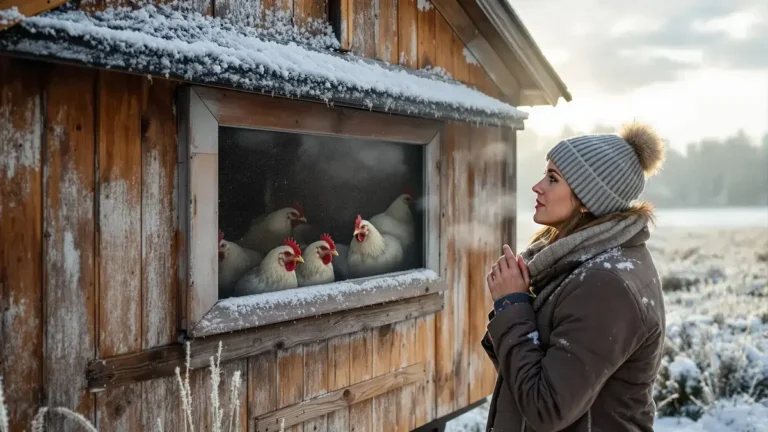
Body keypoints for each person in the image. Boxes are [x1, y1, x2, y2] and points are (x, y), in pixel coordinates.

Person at [482, 122, 667, 432]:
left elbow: (546, 407)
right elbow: (524, 377)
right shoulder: (570, 262)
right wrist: (514, 308)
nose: (538, 187)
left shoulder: (605, 286)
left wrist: (512, 305)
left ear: (587, 199)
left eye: (553, 178)